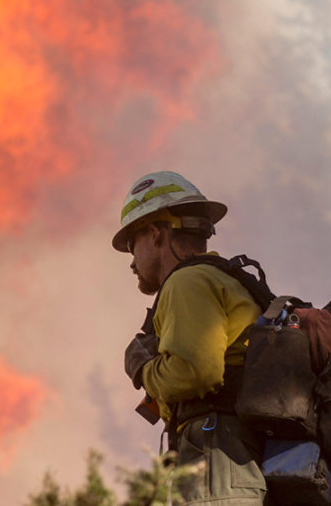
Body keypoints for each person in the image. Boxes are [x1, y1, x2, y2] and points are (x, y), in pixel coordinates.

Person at [116, 171, 268, 505]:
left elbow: (195, 372)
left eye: (132, 245)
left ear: (155, 233)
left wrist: (144, 368)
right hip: (241, 461)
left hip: (218, 464)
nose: (132, 262)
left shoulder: (187, 283)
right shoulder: (226, 279)